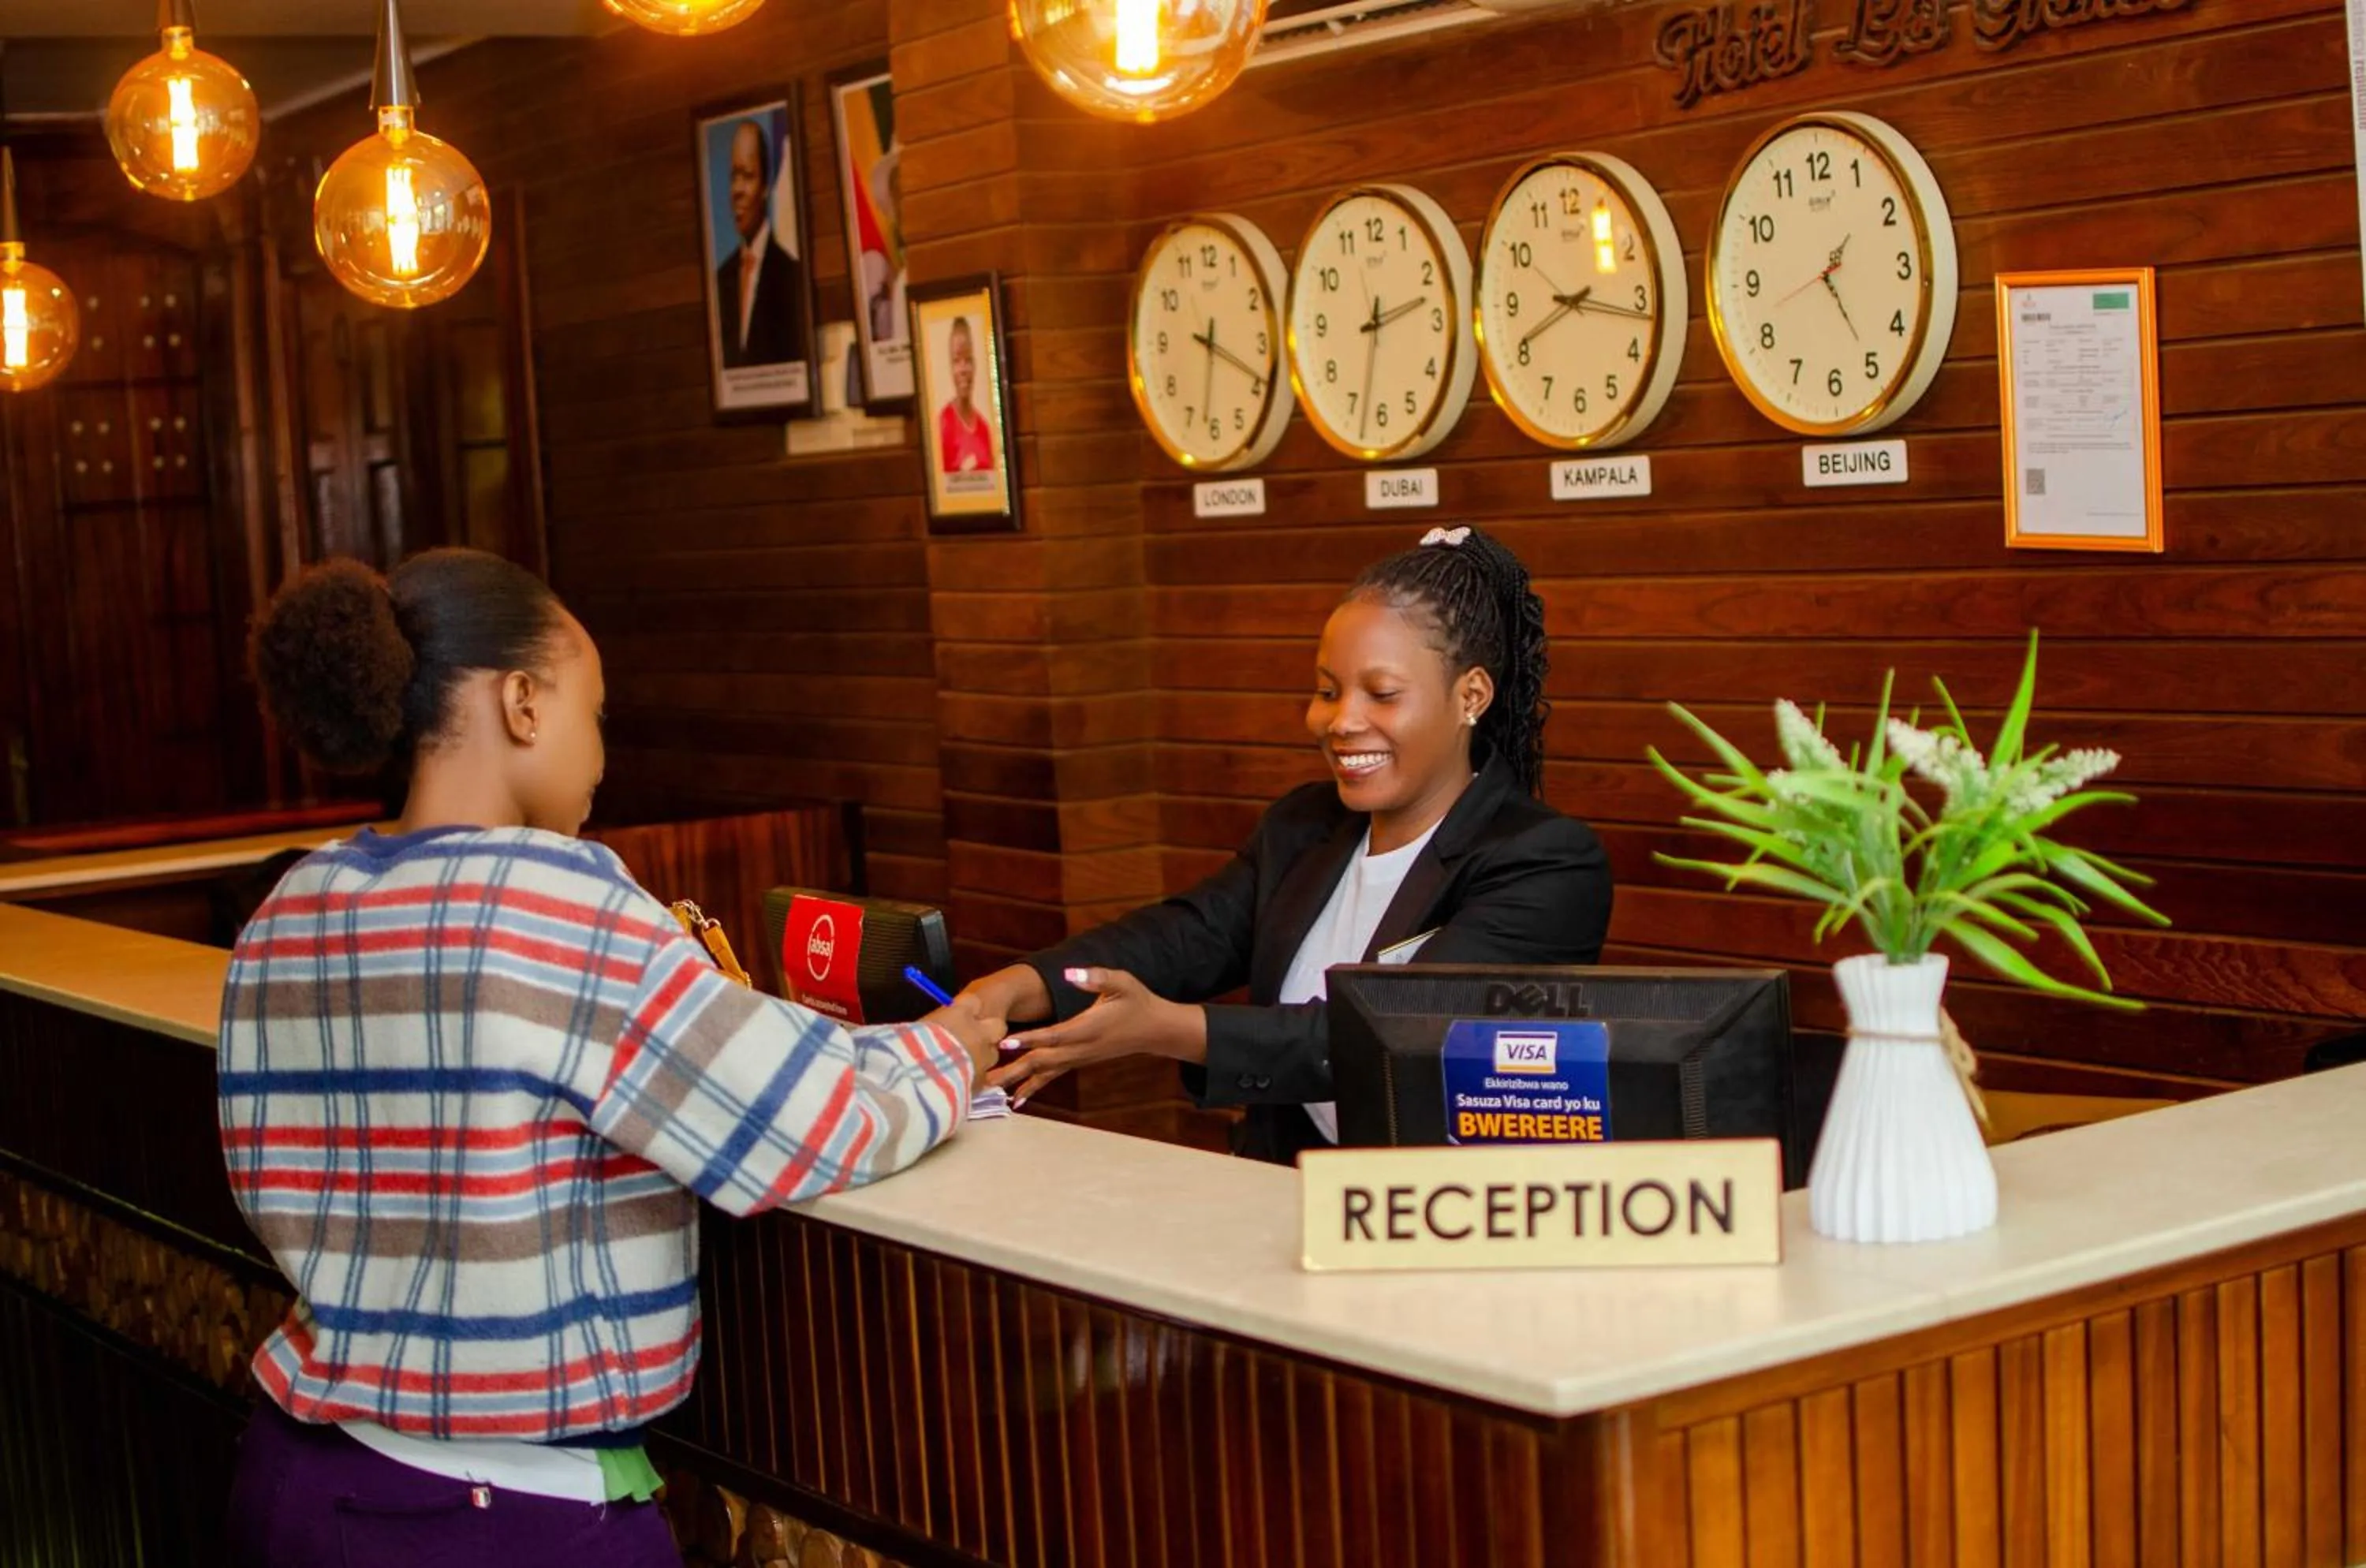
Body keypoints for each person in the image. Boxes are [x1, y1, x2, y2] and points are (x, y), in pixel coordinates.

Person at [218, 549, 1000, 1565]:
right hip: (500, 1517)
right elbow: (799, 1128)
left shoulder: (296, 901)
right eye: (596, 712)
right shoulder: (560, 895)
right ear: (523, 702)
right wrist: (947, 1058)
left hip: (297, 1478)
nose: (600, 754)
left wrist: (890, 1045)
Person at [966, 525, 1613, 1164]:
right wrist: (1006, 991)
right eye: (1327, 691)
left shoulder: (1545, 863)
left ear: (1470, 695)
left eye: (1381, 694)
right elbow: (1184, 936)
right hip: (1286, 1197)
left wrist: (1169, 1029)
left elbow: (1398, 1036)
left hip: (1443, 1223)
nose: (1340, 721)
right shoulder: (1305, 825)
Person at [715, 118, 806, 369]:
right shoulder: (720, 280)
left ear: (766, 186)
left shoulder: (791, 276)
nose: (737, 190)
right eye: (734, 176)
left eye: (747, 176)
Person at [936, 315, 995, 475]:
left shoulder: (984, 429)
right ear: (950, 368)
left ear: (975, 366)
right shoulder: (944, 424)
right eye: (956, 361)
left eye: (968, 360)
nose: (963, 370)